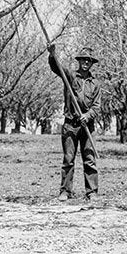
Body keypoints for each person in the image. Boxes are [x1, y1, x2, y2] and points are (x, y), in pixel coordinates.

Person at [48, 43, 101, 201]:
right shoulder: (70, 76)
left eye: (89, 61)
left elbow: (97, 106)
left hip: (88, 126)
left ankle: (92, 192)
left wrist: (88, 115)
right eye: (83, 60)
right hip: (71, 124)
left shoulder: (95, 84)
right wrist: (52, 55)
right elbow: (57, 68)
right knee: (68, 159)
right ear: (79, 61)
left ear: (92, 63)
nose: (86, 62)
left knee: (89, 159)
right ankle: (65, 191)